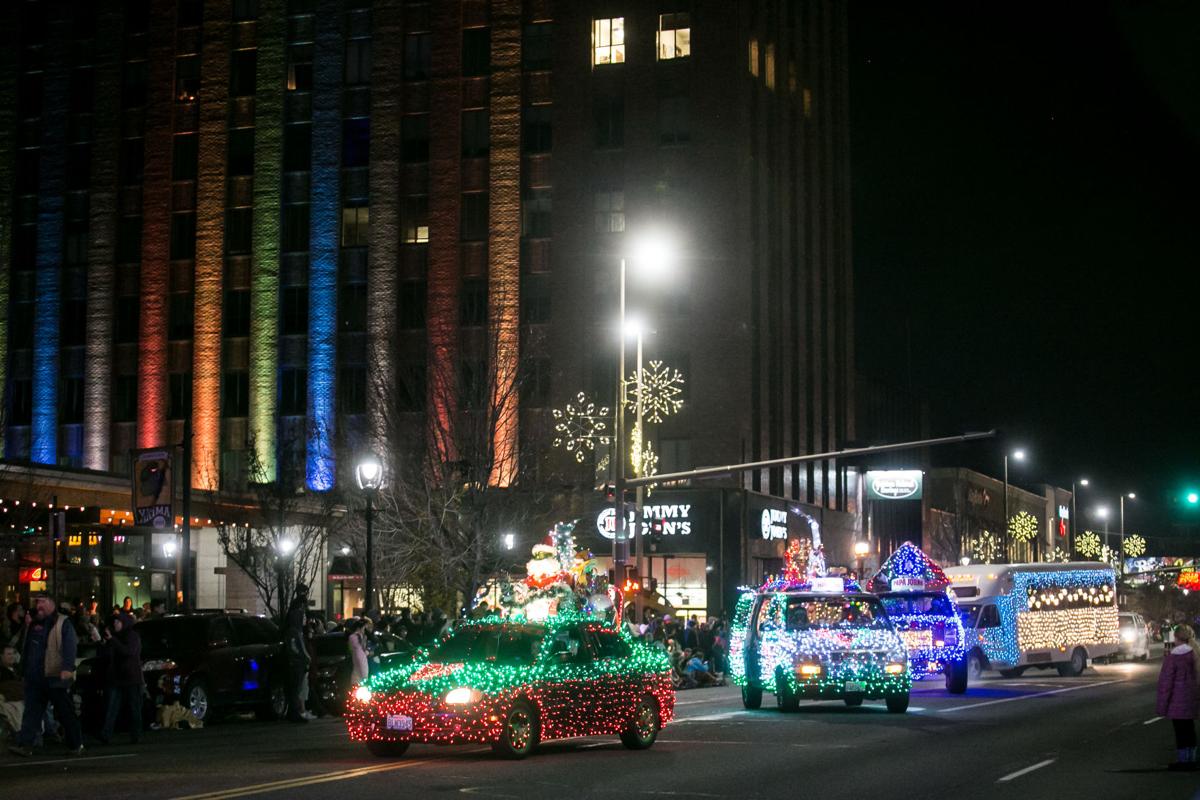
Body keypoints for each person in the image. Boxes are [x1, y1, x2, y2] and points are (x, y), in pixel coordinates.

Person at [8, 593, 84, 757]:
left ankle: (76, 744)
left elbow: (70, 646)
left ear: (51, 603)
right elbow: (26, 647)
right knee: (32, 713)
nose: (38, 605)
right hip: (35, 677)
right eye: (37, 602)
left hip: (54, 675)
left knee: (65, 711)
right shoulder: (34, 623)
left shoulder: (62, 623)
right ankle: (26, 745)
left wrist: (67, 668)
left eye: (42, 602)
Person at [1157, 623, 1200, 771]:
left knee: (1180, 731)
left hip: (1177, 700)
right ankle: (1192, 758)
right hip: (1192, 698)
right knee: (1189, 728)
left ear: (1176, 638)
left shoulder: (1173, 657)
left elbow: (1166, 683)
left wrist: (1162, 705)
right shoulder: (1195, 653)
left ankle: (1183, 760)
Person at [99, 613, 143, 745]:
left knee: (134, 707)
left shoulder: (132, 636)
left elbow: (128, 651)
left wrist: (112, 640)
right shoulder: (115, 637)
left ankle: (136, 734)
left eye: (118, 622)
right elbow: (107, 654)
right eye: (114, 623)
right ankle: (106, 733)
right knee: (112, 707)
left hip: (131, 677)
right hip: (117, 677)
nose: (115, 625)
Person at [284, 584, 311, 723]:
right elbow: (297, 647)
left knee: (296, 686)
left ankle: (294, 711)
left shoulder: (294, 630)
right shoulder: (295, 631)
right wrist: (305, 657)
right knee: (296, 686)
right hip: (296, 662)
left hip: (295, 660)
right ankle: (294, 712)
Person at [0, 644, 24, 738]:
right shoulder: (1, 671)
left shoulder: (18, 669)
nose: (12, 656)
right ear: (2, 656)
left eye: (13, 654)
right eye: (9, 654)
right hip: (10, 698)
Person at [348, 620, 370, 685]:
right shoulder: (355, 638)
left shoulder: (354, 639)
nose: (365, 630)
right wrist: (365, 677)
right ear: (358, 628)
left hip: (357, 677)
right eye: (364, 628)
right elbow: (360, 660)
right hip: (359, 679)